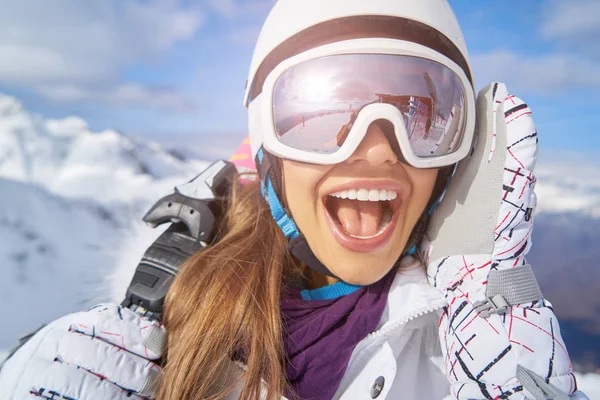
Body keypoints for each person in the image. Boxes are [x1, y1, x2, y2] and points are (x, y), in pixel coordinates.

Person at [0, 0, 590, 399]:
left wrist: (493, 321)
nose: (381, 149)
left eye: (423, 114)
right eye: (324, 112)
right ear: (266, 147)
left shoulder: (459, 345)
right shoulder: (163, 328)